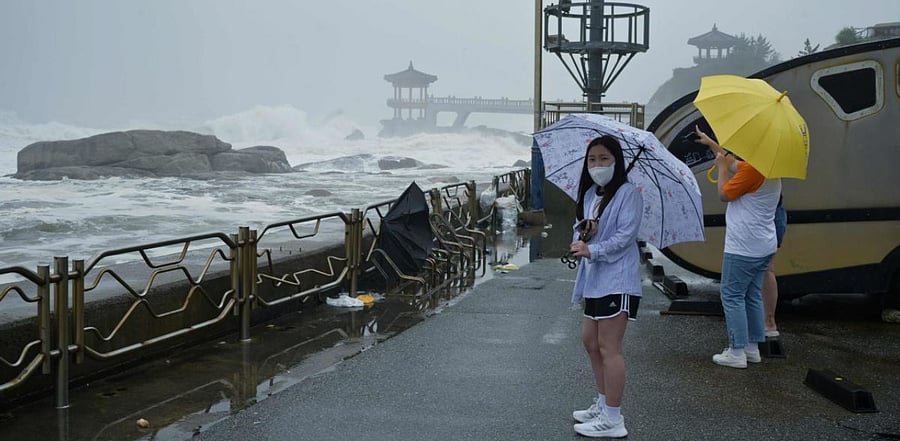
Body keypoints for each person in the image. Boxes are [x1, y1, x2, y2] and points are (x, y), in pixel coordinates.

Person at [568, 135, 643, 438]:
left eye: (604, 159)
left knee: (609, 347)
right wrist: (585, 232)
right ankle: (602, 403)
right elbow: (582, 232)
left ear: (617, 162)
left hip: (618, 279)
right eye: (592, 160)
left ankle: (614, 419)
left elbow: (625, 237)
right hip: (595, 280)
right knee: (590, 342)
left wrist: (593, 250)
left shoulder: (629, 194)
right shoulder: (590, 195)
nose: (597, 165)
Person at [695, 125, 782, 369]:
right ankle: (752, 348)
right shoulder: (767, 169)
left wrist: (721, 168)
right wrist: (711, 144)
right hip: (764, 245)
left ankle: (735, 351)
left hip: (744, 246)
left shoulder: (753, 170)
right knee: (752, 294)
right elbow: (734, 163)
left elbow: (724, 193)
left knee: (732, 296)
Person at [763, 194, 787, 337]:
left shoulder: (753, 173)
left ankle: (763, 322)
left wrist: (724, 170)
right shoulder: (774, 175)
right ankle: (769, 322)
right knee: (767, 270)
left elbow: (725, 194)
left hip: (760, 219)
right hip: (775, 213)